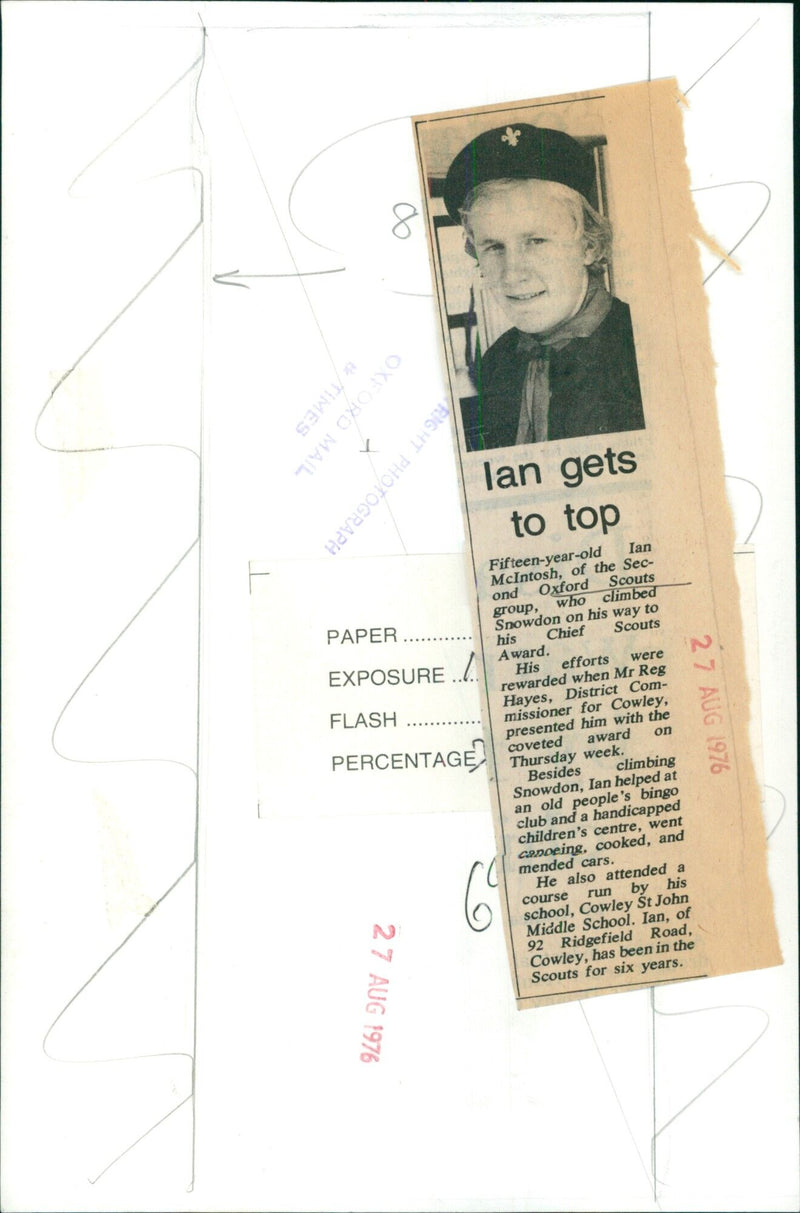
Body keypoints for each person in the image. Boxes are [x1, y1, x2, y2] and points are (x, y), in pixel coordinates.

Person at [443, 122, 644, 450]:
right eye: (494, 247)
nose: (512, 274)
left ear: (589, 245)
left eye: (536, 241)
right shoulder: (495, 364)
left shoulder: (643, 347)